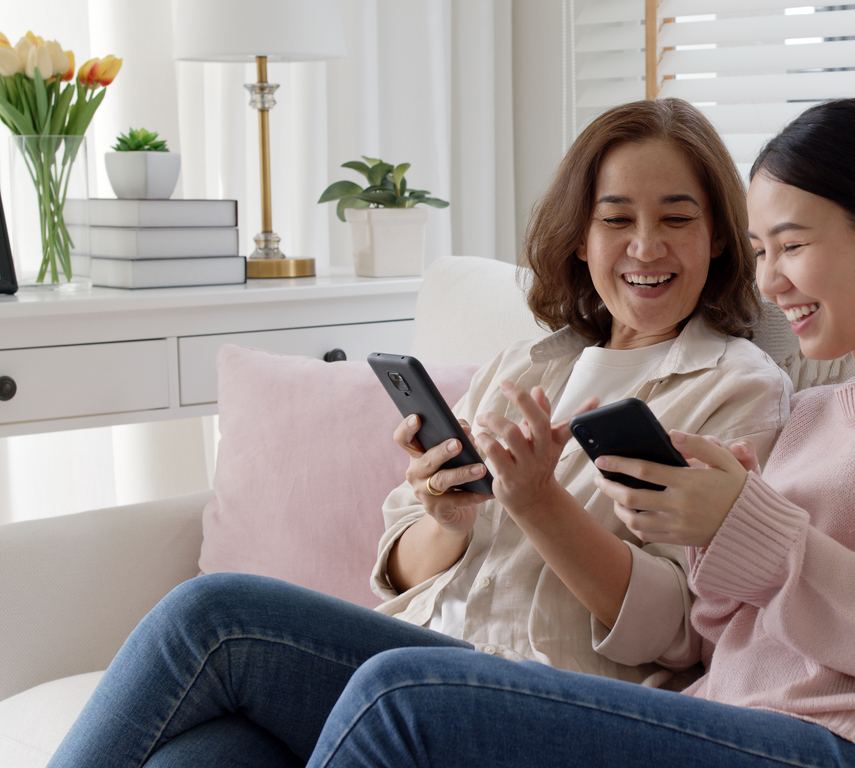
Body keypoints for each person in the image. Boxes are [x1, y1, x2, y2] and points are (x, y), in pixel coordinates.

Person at [267, 98, 855, 768]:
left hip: (837, 744)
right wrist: (713, 533)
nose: (770, 279)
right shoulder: (819, 413)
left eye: (791, 245)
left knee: (396, 692)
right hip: (730, 716)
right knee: (221, 651)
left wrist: (748, 526)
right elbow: (723, 638)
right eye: (761, 251)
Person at [46, 98, 790, 767]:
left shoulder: (738, 388)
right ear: (579, 238)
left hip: (534, 695)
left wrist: (538, 504)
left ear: (721, 238)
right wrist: (447, 516)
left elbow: (678, 632)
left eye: (676, 218)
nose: (645, 246)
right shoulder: (529, 360)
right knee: (208, 755)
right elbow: (399, 569)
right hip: (411, 657)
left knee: (211, 616)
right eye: (617, 218)